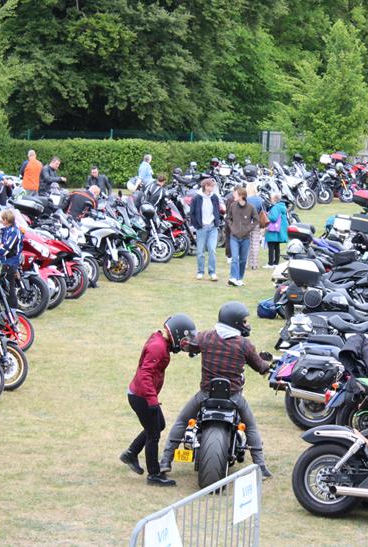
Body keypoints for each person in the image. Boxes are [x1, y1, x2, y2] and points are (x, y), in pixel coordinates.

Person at [160, 302, 273, 478]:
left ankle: (166, 461)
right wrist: (268, 366)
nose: (246, 324)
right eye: (244, 321)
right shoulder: (244, 344)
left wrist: (187, 345)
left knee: (182, 421)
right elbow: (260, 366)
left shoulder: (206, 337)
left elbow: (189, 345)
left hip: (206, 395)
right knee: (251, 427)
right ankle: (261, 467)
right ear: (235, 322)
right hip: (234, 397)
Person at [121, 314, 198, 487]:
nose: (185, 343)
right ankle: (154, 475)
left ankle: (131, 453)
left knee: (158, 425)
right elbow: (145, 375)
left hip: (141, 394)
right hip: (141, 396)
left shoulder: (161, 343)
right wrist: (152, 401)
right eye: (184, 339)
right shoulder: (158, 347)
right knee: (153, 434)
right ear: (177, 334)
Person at [227, 186, 259, 286]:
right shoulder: (232, 205)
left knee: (243, 259)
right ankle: (233, 278)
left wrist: (248, 228)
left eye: (235, 194)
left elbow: (256, 220)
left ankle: (240, 278)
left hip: (245, 238)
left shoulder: (251, 207)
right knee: (234, 258)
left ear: (241, 196)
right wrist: (232, 227)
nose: (233, 195)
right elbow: (228, 218)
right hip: (234, 237)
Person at [190, 178, 220, 281]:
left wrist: (217, 222)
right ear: (205, 186)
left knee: (212, 250)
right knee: (200, 251)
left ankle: (212, 272)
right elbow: (192, 213)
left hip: (212, 227)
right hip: (201, 228)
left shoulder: (214, 197)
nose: (212, 188)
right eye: (211, 186)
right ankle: (200, 272)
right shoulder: (197, 198)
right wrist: (197, 225)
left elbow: (217, 210)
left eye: (213, 186)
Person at [0, 209, 23, 309]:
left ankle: (13, 310)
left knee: (10, 287)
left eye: (3, 219)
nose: (1, 220)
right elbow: (1, 244)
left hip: (11, 262)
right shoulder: (7, 230)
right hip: (6, 260)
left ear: (7, 220)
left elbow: (7, 248)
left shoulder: (14, 231)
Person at [264, 193, 289, 268]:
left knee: (271, 246)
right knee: (277, 247)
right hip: (279, 230)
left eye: (271, 198)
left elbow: (273, 218)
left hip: (273, 230)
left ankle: (270, 263)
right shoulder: (282, 206)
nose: (270, 199)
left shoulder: (276, 207)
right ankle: (276, 263)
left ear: (274, 199)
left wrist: (267, 214)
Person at [245, 182, 264, 270]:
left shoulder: (245, 199)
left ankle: (245, 263)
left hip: (246, 223)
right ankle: (254, 264)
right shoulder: (259, 199)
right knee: (255, 244)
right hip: (256, 223)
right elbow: (263, 211)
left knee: (245, 243)